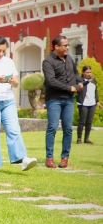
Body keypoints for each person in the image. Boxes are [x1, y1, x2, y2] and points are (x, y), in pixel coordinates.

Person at [0, 37, 37, 173]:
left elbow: (16, 82)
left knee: (14, 130)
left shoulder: (9, 62)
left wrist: (10, 80)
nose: (1, 54)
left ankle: (22, 158)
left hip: (8, 101)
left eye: (3, 51)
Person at [42, 35, 80, 168]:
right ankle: (49, 158)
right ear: (56, 47)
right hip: (54, 100)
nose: (67, 47)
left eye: (68, 45)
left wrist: (79, 83)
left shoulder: (69, 59)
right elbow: (51, 81)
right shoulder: (48, 62)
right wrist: (69, 87)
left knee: (68, 129)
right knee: (52, 127)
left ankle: (65, 158)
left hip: (69, 100)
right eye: (65, 45)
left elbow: (75, 74)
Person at [76, 66, 98, 144]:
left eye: (90, 72)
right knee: (82, 122)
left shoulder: (94, 81)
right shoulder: (80, 80)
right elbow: (79, 88)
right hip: (83, 103)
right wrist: (88, 81)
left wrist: (97, 101)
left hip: (92, 104)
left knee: (89, 122)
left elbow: (96, 91)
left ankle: (86, 139)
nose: (89, 74)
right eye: (87, 72)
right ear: (83, 73)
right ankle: (79, 138)